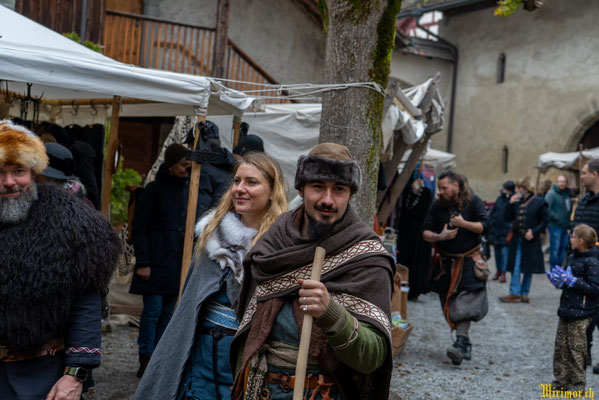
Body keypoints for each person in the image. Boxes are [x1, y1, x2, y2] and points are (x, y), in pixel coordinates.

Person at [230, 143, 395, 400]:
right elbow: (249, 328)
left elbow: (373, 358)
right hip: (260, 390)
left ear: (350, 194)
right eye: (318, 186)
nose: (327, 200)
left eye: (339, 189)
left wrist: (332, 314)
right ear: (301, 189)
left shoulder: (367, 257)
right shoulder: (275, 242)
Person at [134, 152, 287, 400]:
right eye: (237, 181)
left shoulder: (281, 249)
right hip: (201, 363)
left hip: (245, 366)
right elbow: (188, 309)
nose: (240, 189)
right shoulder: (212, 236)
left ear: (272, 191)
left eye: (251, 182)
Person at [0, 120, 119, 399]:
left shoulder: (70, 225)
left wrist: (75, 374)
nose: (9, 182)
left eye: (18, 171)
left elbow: (85, 306)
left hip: (40, 375)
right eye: (0, 172)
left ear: (34, 173)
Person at [129, 143, 193, 377]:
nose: (186, 170)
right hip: (155, 262)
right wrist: (143, 262)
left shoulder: (189, 191)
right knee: (153, 312)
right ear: (172, 165)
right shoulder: (153, 190)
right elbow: (140, 228)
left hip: (175, 263)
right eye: (183, 165)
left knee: (167, 314)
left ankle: (158, 359)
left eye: (189, 166)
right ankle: (146, 358)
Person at [422, 170, 491, 366]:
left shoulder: (473, 201)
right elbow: (425, 232)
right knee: (448, 304)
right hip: (445, 264)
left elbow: (486, 225)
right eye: (440, 188)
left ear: (456, 186)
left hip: (469, 261)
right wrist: (440, 237)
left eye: (444, 188)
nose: (440, 191)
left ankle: (460, 342)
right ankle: (465, 342)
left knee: (465, 303)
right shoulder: (437, 205)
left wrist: (463, 223)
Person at [546, 224, 599, 392]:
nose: (570, 239)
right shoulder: (572, 257)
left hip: (582, 313)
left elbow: (595, 289)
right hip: (566, 309)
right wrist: (560, 283)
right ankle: (561, 381)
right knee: (561, 347)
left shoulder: (592, 262)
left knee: (576, 349)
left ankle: (577, 385)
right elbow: (567, 280)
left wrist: (574, 281)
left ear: (581, 241)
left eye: (573, 236)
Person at [499, 176, 549, 303]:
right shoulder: (516, 201)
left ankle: (524, 293)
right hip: (517, 239)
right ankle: (514, 292)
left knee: (528, 268)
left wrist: (534, 231)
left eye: (519, 187)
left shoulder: (539, 202)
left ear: (526, 188)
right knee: (515, 266)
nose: (517, 190)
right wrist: (509, 204)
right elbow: (506, 217)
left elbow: (545, 221)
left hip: (531, 240)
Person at [572, 159, 599, 372]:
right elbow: (574, 232)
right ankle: (584, 353)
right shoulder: (583, 202)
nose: (581, 176)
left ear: (595, 175)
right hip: (581, 267)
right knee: (583, 312)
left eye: (583, 173)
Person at [395, 176, 433, 300]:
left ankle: (414, 289)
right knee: (405, 259)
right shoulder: (407, 192)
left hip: (418, 235)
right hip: (406, 233)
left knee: (416, 260)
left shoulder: (426, 193)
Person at [488, 180, 515, 283]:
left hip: (506, 231)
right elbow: (494, 211)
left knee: (504, 253)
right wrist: (491, 221)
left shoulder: (513, 201)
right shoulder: (499, 199)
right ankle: (498, 270)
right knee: (497, 253)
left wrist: (509, 226)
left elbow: (512, 215)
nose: (504, 191)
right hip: (496, 230)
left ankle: (503, 272)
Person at [545, 175, 573, 268]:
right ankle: (554, 269)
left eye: (564, 181)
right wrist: (556, 217)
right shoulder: (551, 194)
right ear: (557, 182)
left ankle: (560, 268)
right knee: (555, 249)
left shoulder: (567, 193)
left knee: (563, 248)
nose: (562, 183)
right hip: (555, 225)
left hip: (565, 225)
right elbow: (546, 207)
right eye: (560, 181)